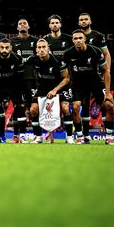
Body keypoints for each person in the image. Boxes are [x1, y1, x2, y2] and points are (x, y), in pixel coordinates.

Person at [63, 29, 114, 145]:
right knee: (76, 107)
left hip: (95, 82)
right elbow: (65, 74)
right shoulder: (68, 53)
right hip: (77, 83)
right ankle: (80, 137)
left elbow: (106, 71)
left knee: (109, 106)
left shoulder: (95, 51)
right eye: (75, 39)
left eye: (80, 38)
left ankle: (109, 136)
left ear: (85, 39)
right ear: (72, 41)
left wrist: (107, 92)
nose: (78, 41)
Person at [25, 38, 71, 143]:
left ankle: (69, 137)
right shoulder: (33, 60)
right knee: (33, 110)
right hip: (42, 88)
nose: (42, 50)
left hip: (59, 87)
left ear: (48, 49)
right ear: (36, 50)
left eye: (44, 47)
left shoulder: (58, 60)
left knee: (65, 108)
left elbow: (67, 78)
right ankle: (38, 137)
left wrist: (55, 90)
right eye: (39, 47)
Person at [0, 38, 27, 143]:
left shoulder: (18, 59)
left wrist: (21, 92)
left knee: (20, 108)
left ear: (11, 48)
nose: (4, 50)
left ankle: (21, 136)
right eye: (2, 47)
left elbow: (21, 77)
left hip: (14, 85)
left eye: (6, 47)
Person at [78, 12, 112, 134]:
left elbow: (106, 54)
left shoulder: (97, 36)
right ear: (78, 22)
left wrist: (106, 71)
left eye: (86, 19)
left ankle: (105, 128)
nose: (83, 21)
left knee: (103, 102)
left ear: (90, 21)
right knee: (85, 105)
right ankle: (85, 134)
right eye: (81, 19)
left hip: (97, 75)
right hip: (81, 76)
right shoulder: (77, 36)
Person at [43, 15, 73, 143]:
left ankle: (69, 136)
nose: (54, 24)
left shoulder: (68, 39)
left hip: (66, 78)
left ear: (60, 24)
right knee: (50, 110)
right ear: (49, 25)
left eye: (56, 22)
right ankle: (49, 135)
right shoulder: (45, 40)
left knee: (65, 108)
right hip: (50, 79)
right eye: (52, 23)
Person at [11, 18, 38, 143]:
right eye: (20, 23)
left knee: (34, 108)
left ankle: (38, 135)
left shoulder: (35, 41)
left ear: (28, 27)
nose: (22, 25)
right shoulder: (12, 42)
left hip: (32, 79)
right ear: (17, 28)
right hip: (17, 79)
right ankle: (18, 135)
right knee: (18, 107)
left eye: (24, 23)